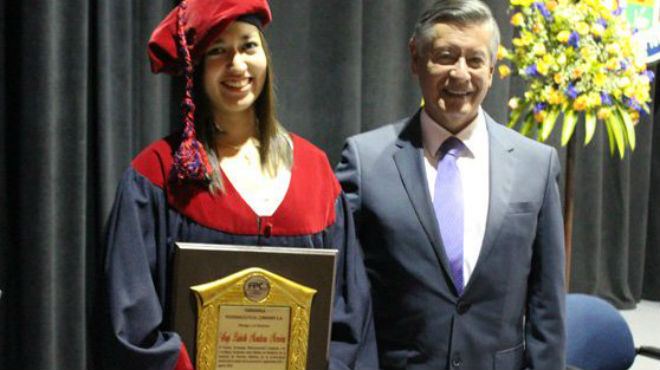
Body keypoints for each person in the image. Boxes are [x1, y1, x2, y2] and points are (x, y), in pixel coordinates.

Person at [99, 0, 378, 369]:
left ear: (266, 55)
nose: (237, 64)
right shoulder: (158, 174)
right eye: (218, 51)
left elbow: (350, 319)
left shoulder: (315, 173)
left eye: (249, 45)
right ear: (196, 67)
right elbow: (129, 323)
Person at [336, 1, 566, 369]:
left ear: (492, 69)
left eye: (475, 60)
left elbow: (547, 306)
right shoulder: (365, 163)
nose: (460, 74)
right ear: (416, 59)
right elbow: (344, 296)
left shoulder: (536, 165)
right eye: (445, 56)